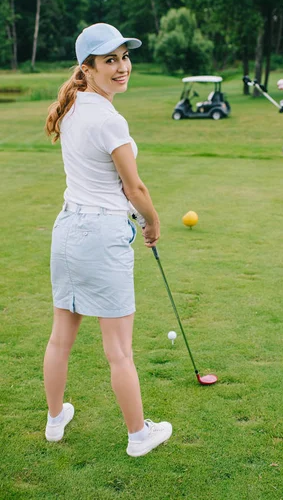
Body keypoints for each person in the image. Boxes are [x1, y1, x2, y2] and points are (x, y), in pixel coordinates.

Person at [43, 23, 172, 457]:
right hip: (100, 235)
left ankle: (55, 420)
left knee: (62, 337)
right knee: (119, 350)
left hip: (67, 231)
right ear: (88, 68)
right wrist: (152, 223)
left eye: (124, 57)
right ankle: (139, 436)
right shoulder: (109, 119)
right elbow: (134, 189)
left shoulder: (74, 104)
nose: (122, 68)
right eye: (109, 60)